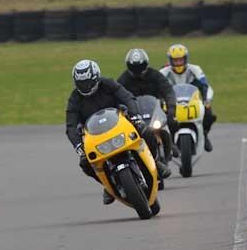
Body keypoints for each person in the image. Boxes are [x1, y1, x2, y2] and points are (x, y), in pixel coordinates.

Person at [65, 59, 152, 205]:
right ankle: (107, 184)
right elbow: (70, 126)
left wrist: (136, 117)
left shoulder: (109, 84)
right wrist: (78, 146)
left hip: (120, 125)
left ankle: (156, 162)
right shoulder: (75, 98)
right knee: (85, 163)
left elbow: (127, 97)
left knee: (147, 132)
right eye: (81, 84)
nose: (85, 87)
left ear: (96, 78)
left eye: (88, 82)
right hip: (95, 136)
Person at [117, 48, 177, 177]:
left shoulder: (155, 75)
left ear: (146, 64)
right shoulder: (123, 79)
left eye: (140, 67)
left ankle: (170, 147)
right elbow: (116, 96)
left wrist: (171, 106)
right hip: (134, 115)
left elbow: (168, 90)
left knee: (170, 121)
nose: (138, 71)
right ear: (129, 66)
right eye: (134, 67)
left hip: (155, 110)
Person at [160, 44, 216, 152]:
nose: (178, 63)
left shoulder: (195, 69)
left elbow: (206, 86)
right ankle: (169, 141)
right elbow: (156, 89)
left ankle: (204, 134)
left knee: (208, 113)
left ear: (185, 59)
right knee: (161, 118)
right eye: (175, 61)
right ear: (170, 60)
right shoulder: (163, 72)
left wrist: (206, 100)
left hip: (192, 101)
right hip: (172, 102)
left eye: (180, 60)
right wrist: (160, 101)